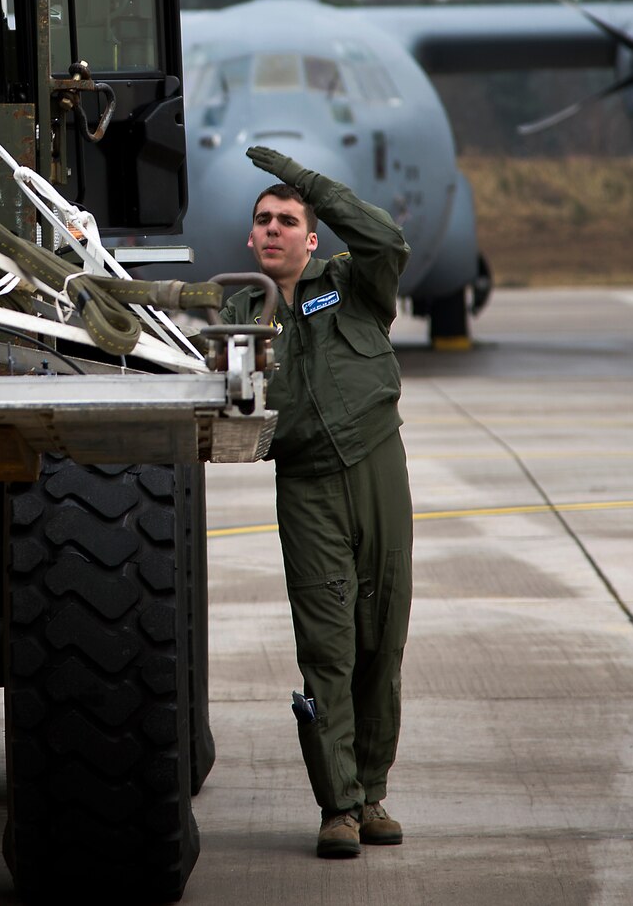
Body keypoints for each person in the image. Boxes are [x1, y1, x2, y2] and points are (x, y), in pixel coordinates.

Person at [218, 145, 412, 859]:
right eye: (263, 219)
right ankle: (338, 804)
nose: (272, 228)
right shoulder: (239, 312)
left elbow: (388, 239)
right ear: (250, 236)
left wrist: (312, 183)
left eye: (287, 218)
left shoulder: (352, 283)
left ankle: (373, 791)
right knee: (327, 645)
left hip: (376, 462)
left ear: (312, 235)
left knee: (382, 634)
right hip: (305, 483)